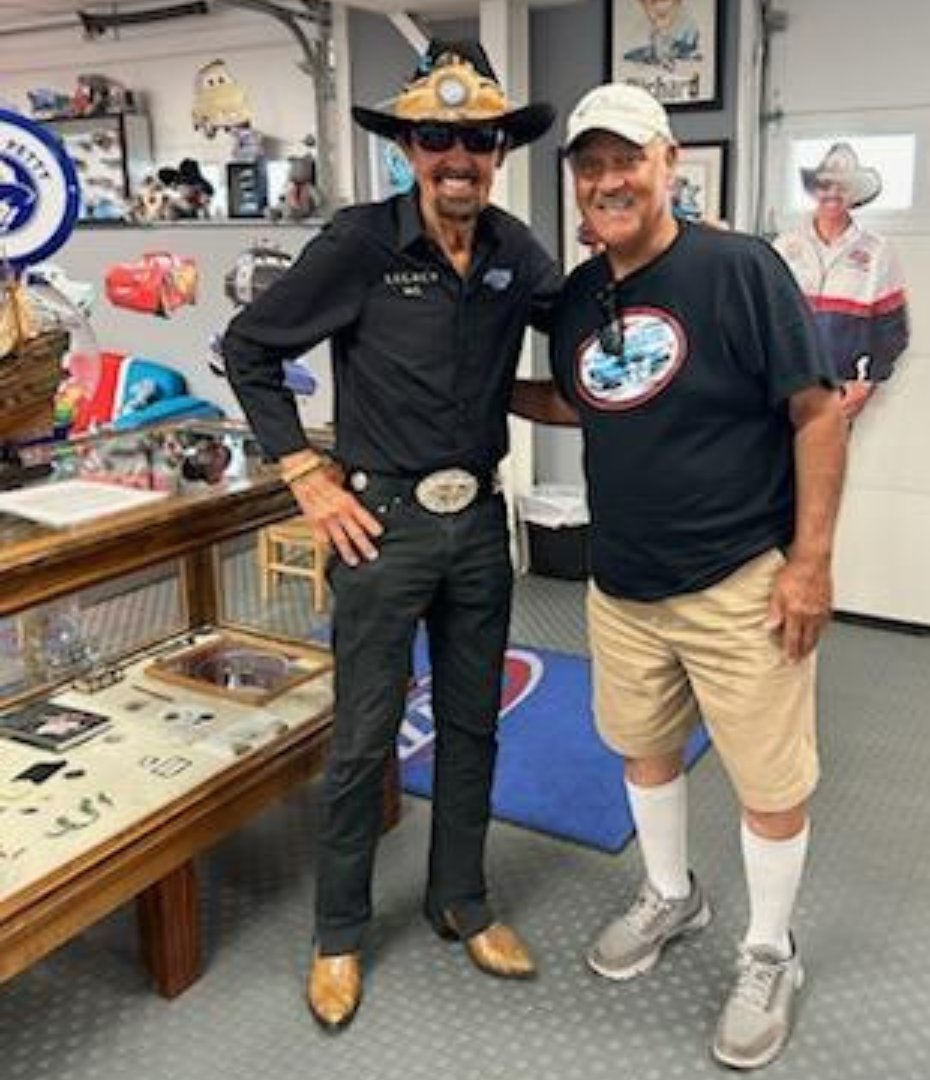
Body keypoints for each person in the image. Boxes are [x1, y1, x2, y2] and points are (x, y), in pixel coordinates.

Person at [222, 40, 561, 1032]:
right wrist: (307, 479)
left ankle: (463, 900)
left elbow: (579, 333)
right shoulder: (361, 244)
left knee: (473, 723)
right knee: (366, 736)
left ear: (499, 147)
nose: (458, 155)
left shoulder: (513, 248)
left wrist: (623, 389)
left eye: (476, 138)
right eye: (436, 136)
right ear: (411, 145)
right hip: (383, 526)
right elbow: (249, 349)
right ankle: (337, 934)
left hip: (480, 525)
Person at [512, 83, 847, 1070]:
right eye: (590, 164)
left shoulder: (738, 269)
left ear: (668, 165)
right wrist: (481, 391)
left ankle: (768, 951)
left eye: (627, 160)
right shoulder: (582, 294)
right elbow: (593, 397)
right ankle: (673, 894)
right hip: (622, 584)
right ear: (576, 184)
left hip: (738, 579)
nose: (609, 179)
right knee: (644, 748)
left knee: (770, 782)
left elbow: (817, 412)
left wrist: (811, 564)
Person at [773, 142, 910, 423]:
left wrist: (867, 382)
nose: (832, 193)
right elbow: (766, 316)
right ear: (815, 190)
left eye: (842, 186)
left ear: (855, 194)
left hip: (841, 388)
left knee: (824, 464)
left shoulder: (877, 251)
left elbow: (893, 328)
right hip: (787, 380)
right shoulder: (785, 245)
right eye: (825, 185)